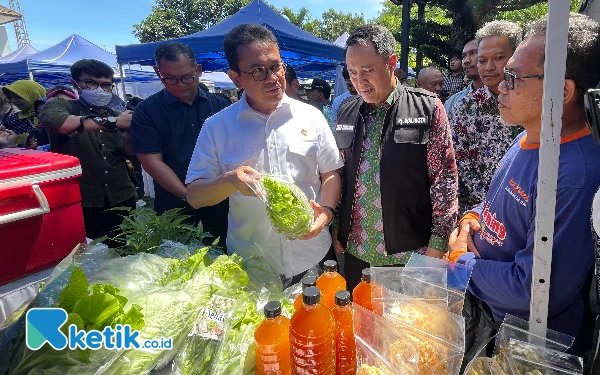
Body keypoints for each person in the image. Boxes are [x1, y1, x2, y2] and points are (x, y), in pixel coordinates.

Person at [449, 12, 600, 358]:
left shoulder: (574, 175)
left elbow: (537, 290)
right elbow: (495, 204)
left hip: (525, 349)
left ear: (561, 91)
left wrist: (460, 266)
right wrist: (470, 220)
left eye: (513, 78)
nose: (500, 86)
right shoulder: (528, 138)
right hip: (490, 320)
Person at [185, 24, 343, 283]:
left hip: (313, 257)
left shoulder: (311, 116)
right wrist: (230, 181)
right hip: (254, 267)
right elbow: (195, 196)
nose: (272, 78)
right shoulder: (217, 127)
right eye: (258, 71)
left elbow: (330, 173)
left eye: (276, 66)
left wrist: (326, 212)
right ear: (236, 77)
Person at [334, 24, 458, 291]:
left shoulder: (427, 107)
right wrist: (337, 228)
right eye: (352, 72)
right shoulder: (346, 110)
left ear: (391, 63)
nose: (359, 81)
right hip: (357, 250)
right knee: (361, 327)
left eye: (367, 70)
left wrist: (438, 244)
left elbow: (444, 181)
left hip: (411, 253)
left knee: (406, 330)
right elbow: (340, 174)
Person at [131, 42, 230, 246]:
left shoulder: (220, 105)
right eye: (170, 79)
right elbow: (151, 161)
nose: (180, 85)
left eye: (187, 77)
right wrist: (189, 196)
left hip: (223, 199)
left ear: (198, 70)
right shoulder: (147, 111)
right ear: (158, 72)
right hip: (176, 204)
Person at [39, 59, 136, 245]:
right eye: (91, 82)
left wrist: (128, 136)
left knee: (126, 251)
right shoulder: (62, 105)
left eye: (106, 85)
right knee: (87, 256)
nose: (100, 89)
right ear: (75, 83)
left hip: (121, 194)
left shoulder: (118, 115)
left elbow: (130, 154)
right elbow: (57, 122)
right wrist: (112, 122)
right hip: (81, 199)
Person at [450, 21, 523, 215]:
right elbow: (460, 160)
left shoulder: (533, 103)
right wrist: (490, 202)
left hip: (524, 210)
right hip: (478, 215)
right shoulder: (464, 107)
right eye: (482, 61)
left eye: (498, 58)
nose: (489, 67)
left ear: (516, 57)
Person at [444, 39, 484, 117]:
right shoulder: (451, 103)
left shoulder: (506, 98)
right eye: (464, 56)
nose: (466, 61)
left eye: (473, 53)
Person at [1, 80, 46, 146]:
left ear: (33, 94)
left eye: (18, 96)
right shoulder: (11, 120)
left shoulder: (51, 116)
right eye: (10, 97)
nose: (13, 101)